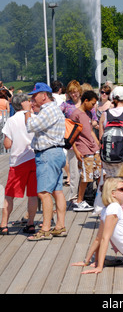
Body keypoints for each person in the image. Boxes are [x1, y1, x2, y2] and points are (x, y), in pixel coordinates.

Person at [23, 82, 67, 240]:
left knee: (43, 193)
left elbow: (31, 126)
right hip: (56, 152)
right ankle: (60, 225)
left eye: (34, 96)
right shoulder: (55, 109)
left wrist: (27, 111)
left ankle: (46, 229)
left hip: (47, 154)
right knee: (57, 191)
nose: (33, 100)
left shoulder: (48, 110)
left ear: (44, 95)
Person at [0, 94, 38, 235]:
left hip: (18, 162)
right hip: (34, 159)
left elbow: (7, 144)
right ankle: (31, 223)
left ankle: (4, 224)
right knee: (32, 194)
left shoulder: (11, 121)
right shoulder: (34, 118)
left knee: (10, 195)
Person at [71, 90, 101, 212]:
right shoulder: (76, 114)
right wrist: (76, 150)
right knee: (86, 176)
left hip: (94, 148)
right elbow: (71, 134)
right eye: (92, 104)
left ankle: (101, 199)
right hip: (83, 148)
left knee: (99, 174)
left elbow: (91, 131)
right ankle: (79, 201)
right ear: (86, 101)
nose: (93, 106)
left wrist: (98, 144)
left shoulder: (88, 113)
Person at [60, 80, 83, 201]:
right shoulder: (66, 105)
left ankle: (84, 195)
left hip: (84, 140)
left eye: (75, 92)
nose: (73, 95)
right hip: (72, 140)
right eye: (71, 92)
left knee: (86, 168)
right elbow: (57, 115)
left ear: (79, 92)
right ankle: (74, 195)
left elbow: (94, 118)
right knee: (74, 170)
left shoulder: (85, 104)